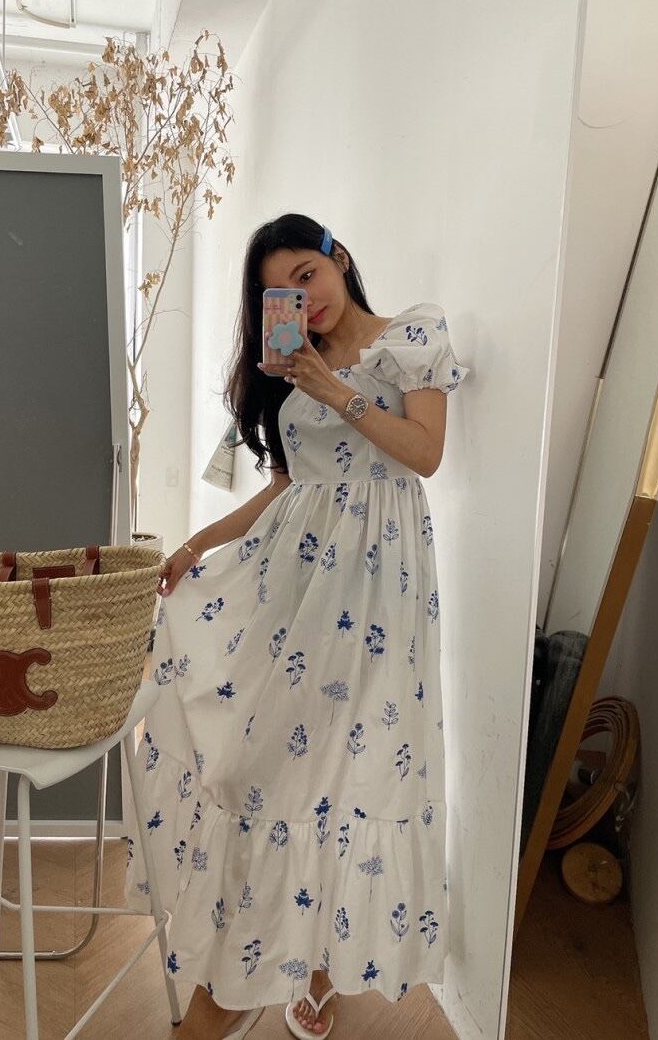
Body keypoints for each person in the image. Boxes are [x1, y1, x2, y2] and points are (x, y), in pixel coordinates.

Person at [125, 213, 470, 1040]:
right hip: (292, 587)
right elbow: (289, 485)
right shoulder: (288, 369)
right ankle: (244, 965)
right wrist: (198, 544)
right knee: (268, 769)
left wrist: (331, 386)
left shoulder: (413, 335)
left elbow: (424, 453)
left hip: (381, 597)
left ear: (338, 257)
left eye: (306, 275)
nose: (301, 298)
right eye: (279, 292)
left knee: (350, 775)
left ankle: (316, 965)